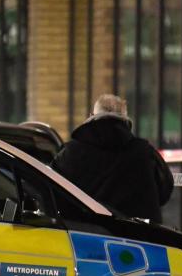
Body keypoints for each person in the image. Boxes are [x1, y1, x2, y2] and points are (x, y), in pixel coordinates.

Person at [52, 94, 173, 223]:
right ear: (125, 119)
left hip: (84, 235)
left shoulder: (71, 153)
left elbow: (52, 191)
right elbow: (165, 189)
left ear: (92, 115)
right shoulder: (144, 152)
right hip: (139, 236)